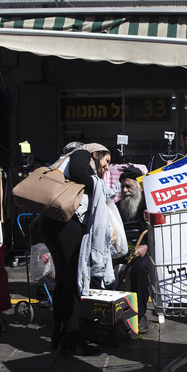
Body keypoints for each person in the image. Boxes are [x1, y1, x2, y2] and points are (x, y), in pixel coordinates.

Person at [40, 142, 114, 356]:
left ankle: (60, 334)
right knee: (74, 280)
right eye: (106, 161)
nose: (107, 167)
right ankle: (72, 340)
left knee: (64, 280)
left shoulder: (70, 159)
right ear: (95, 153)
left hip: (53, 224)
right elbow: (79, 172)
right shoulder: (81, 154)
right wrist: (98, 186)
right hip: (64, 225)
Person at [116, 166, 151, 332]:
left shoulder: (149, 205)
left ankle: (140, 314)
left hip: (143, 251)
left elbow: (160, 232)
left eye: (128, 186)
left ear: (138, 186)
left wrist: (146, 246)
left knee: (140, 268)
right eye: (122, 187)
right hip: (121, 250)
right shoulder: (116, 207)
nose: (125, 190)